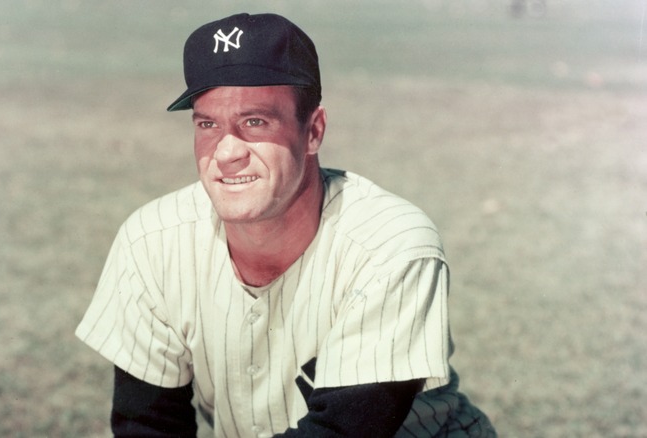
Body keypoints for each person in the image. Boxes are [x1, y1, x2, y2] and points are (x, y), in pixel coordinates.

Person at [76, 12, 496, 437]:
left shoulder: (388, 245)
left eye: (254, 122)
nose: (226, 153)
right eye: (208, 124)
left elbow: (341, 433)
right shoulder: (152, 242)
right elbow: (147, 425)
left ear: (313, 131)